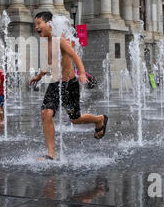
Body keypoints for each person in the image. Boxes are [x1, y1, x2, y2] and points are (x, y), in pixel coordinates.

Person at [29, 12, 108, 161]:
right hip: (54, 84)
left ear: (49, 24)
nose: (36, 27)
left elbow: (75, 56)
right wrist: (39, 76)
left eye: (39, 23)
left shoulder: (60, 41)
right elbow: (51, 63)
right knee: (46, 113)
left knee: (75, 119)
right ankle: (51, 153)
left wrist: (83, 73)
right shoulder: (46, 43)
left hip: (69, 85)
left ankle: (99, 119)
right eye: (35, 24)